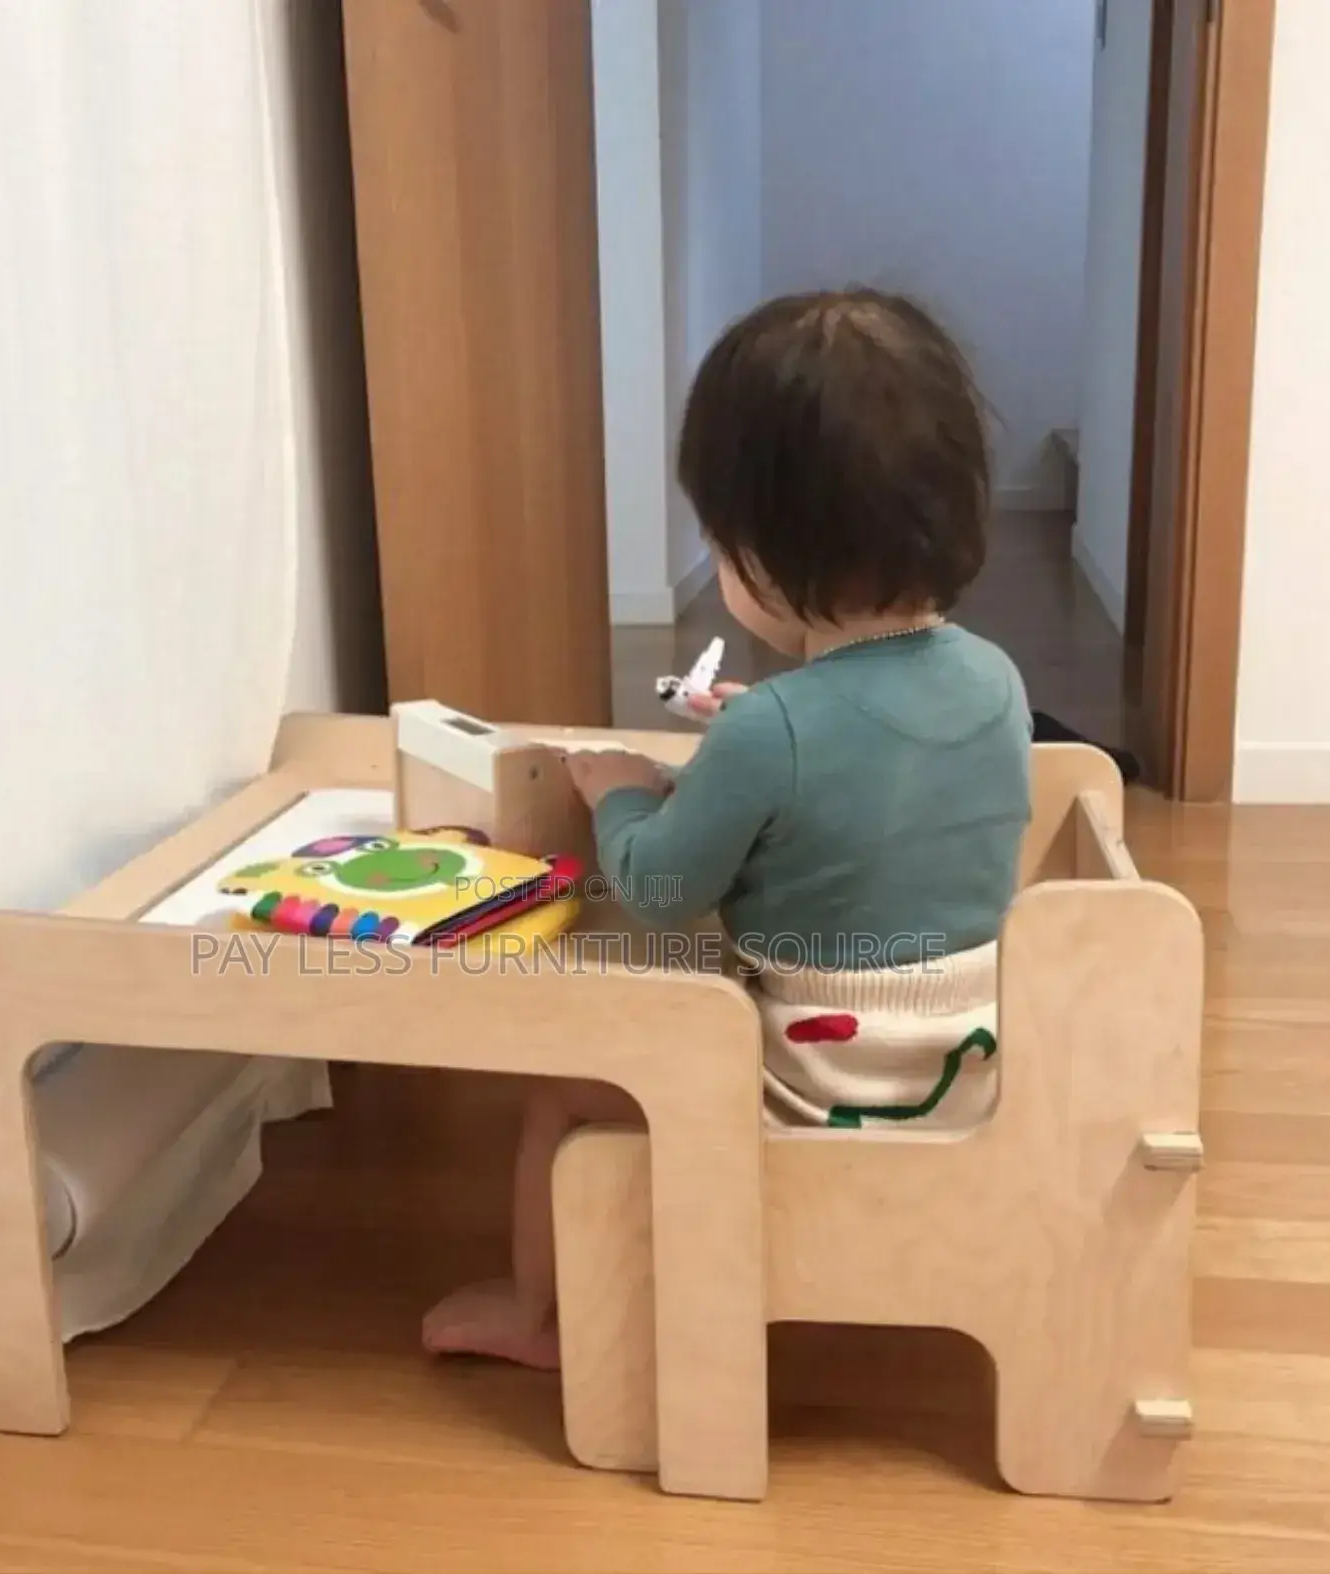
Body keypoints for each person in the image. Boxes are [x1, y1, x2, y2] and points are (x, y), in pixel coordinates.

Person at [422, 289, 1032, 1370]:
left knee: (559, 1090)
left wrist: (614, 786)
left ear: (758, 552)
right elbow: (882, 796)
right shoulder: (996, 681)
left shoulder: (775, 732)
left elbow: (658, 891)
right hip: (964, 1061)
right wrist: (759, 738)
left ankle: (538, 1316)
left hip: (810, 1080)